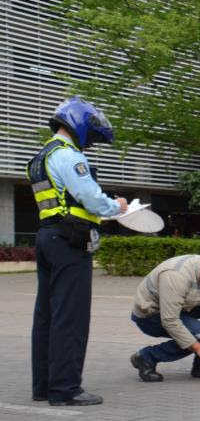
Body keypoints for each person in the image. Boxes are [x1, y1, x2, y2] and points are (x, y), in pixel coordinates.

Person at [28, 96, 128, 406]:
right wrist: (118, 206)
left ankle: (44, 386)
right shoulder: (69, 157)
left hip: (47, 237)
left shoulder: (41, 156)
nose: (91, 145)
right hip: (70, 242)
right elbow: (91, 199)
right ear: (79, 124)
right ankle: (66, 389)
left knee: (46, 316)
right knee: (70, 318)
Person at [130, 255, 200, 382]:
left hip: (179, 308)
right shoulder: (176, 276)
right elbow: (170, 320)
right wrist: (199, 348)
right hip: (150, 316)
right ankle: (146, 357)